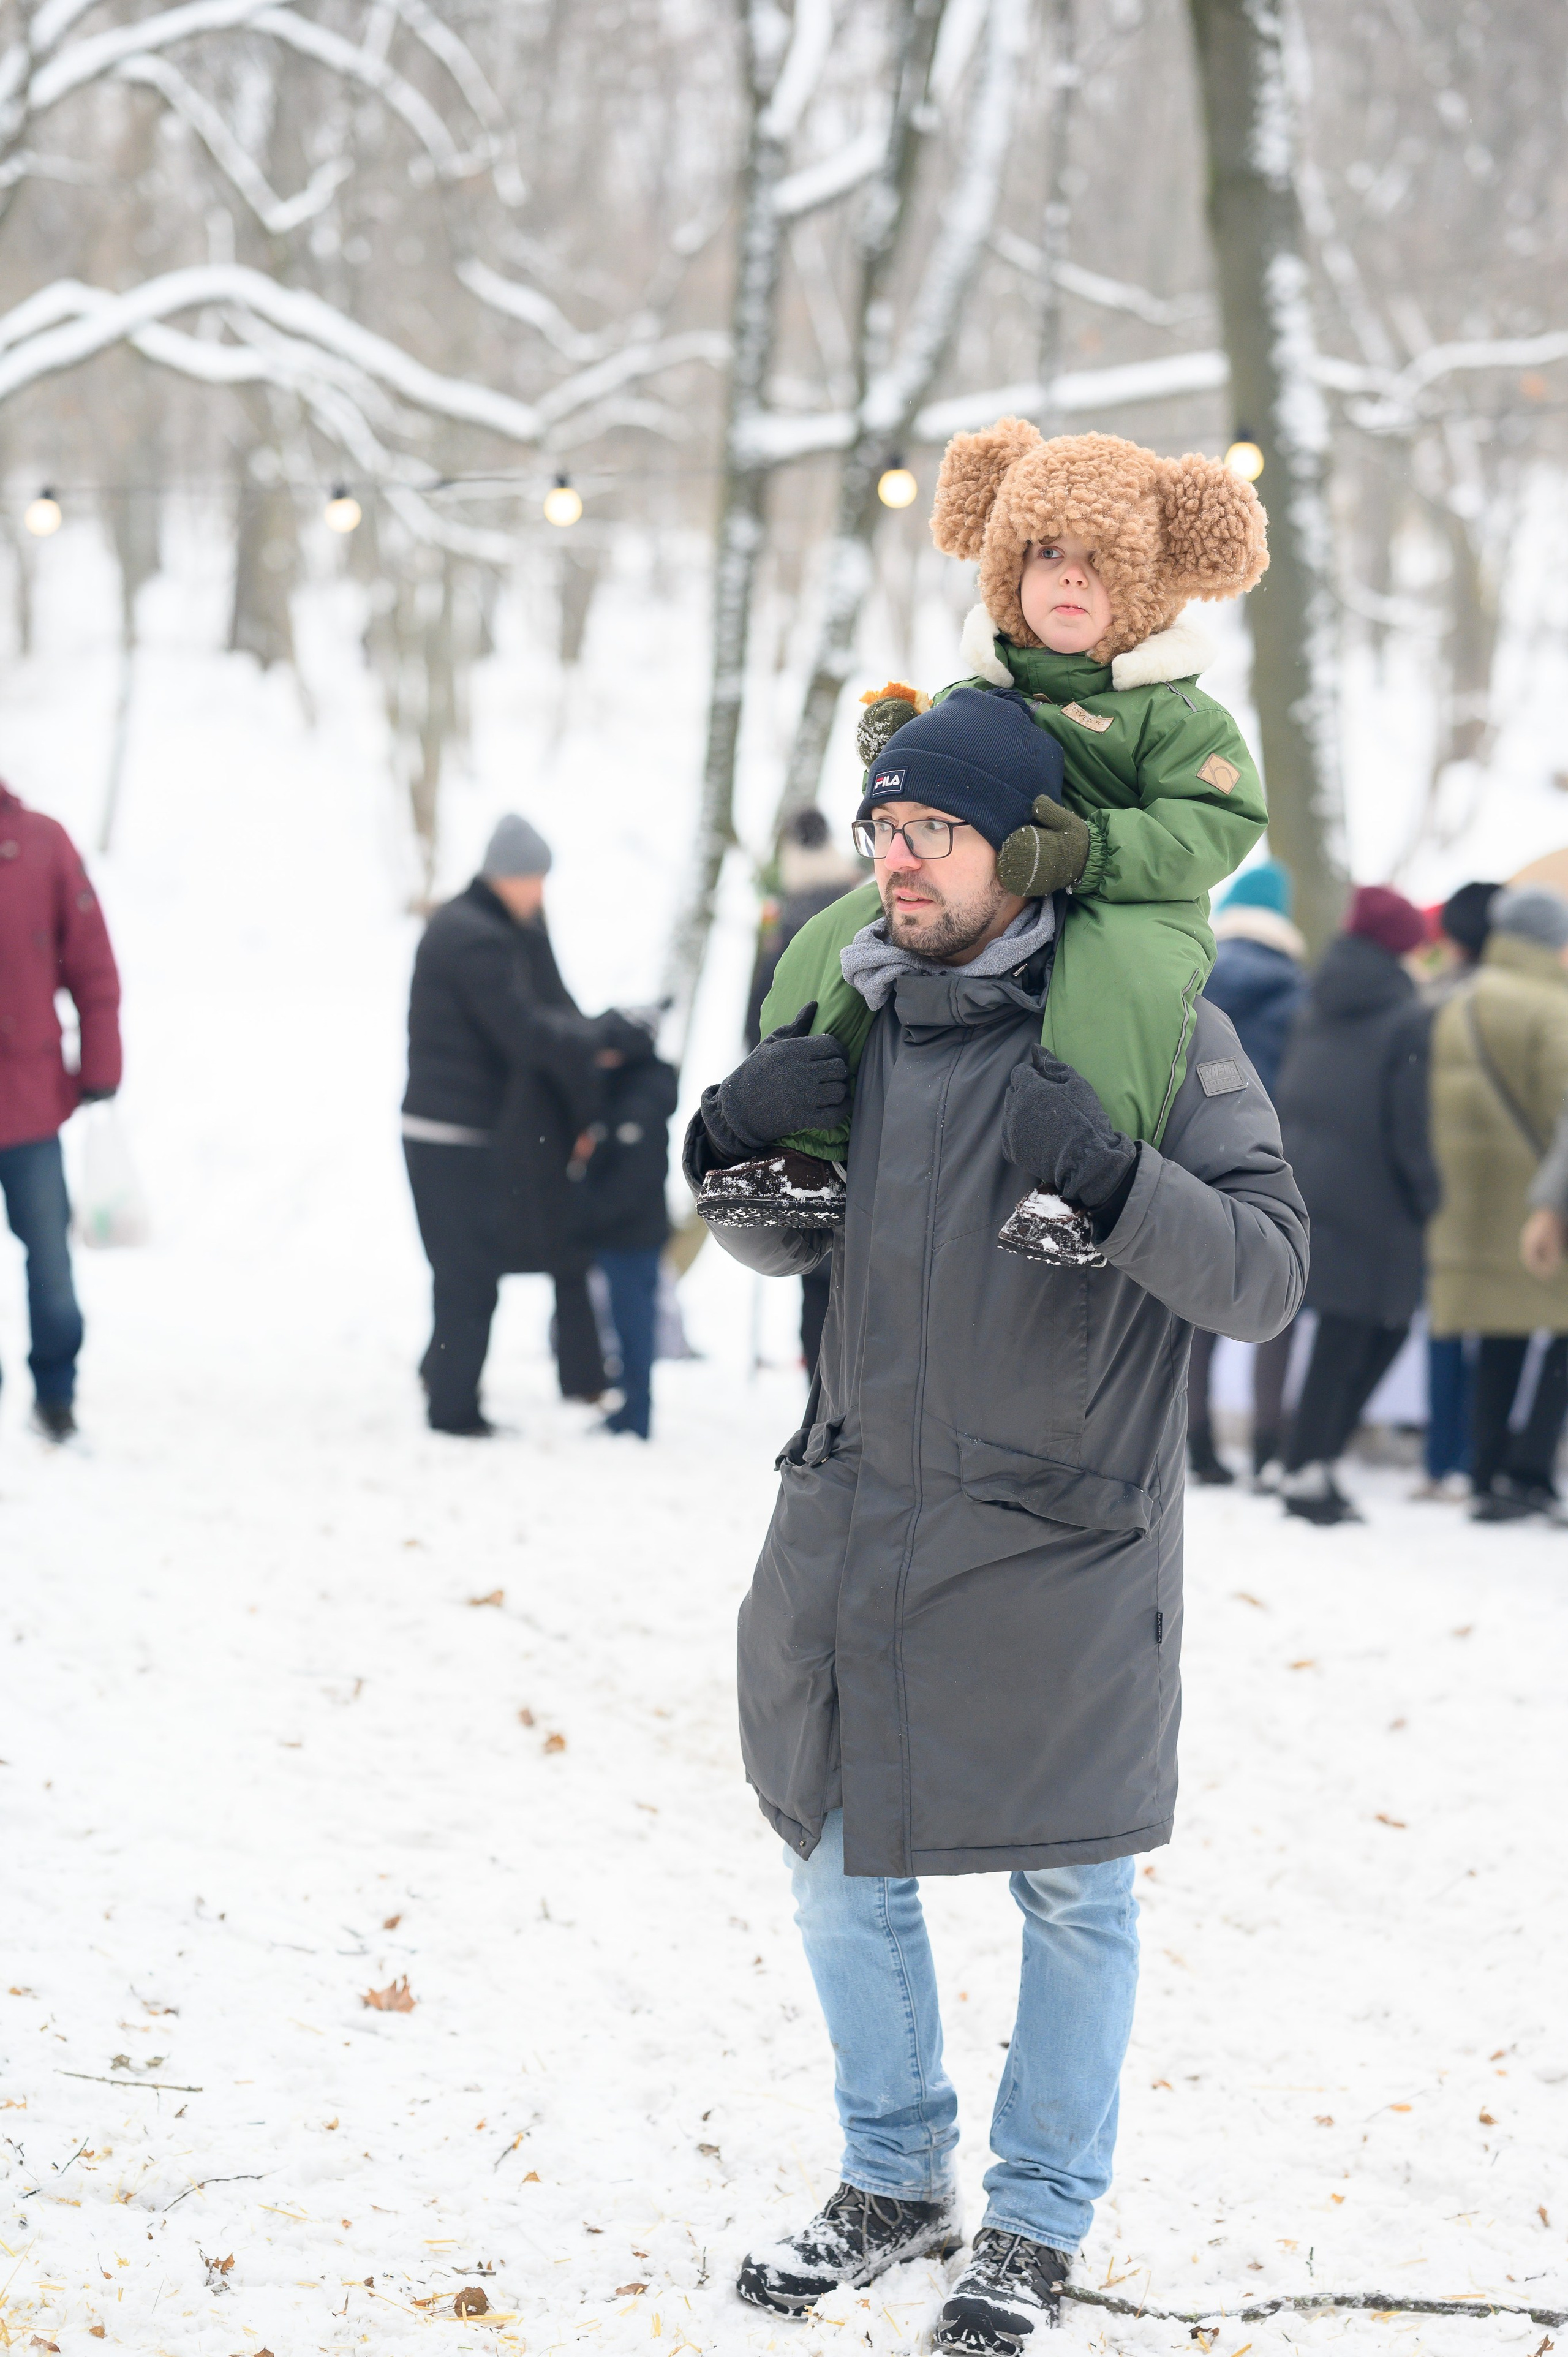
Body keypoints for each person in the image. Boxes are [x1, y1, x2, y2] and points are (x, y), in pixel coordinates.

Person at [685, 728, 1306, 2348]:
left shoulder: (1155, 1031)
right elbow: (780, 1237)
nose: (898, 859)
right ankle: (895, 2181)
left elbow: (1261, 1274)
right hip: (858, 1527)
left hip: (1063, 1546)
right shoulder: (863, 1014)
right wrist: (727, 1143)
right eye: (886, 825)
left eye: (937, 829)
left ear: (1020, 847)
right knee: (834, 1873)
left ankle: (1034, 2221)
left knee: (1075, 1899)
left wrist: (1115, 1178)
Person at [698, 422, 1270, 1240]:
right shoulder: (986, 679)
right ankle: (806, 1148)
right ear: (1007, 562)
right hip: (982, 882)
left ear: (1149, 573)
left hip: (1128, 899)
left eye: (1101, 558)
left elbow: (1218, 820)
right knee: (832, 935)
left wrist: (1094, 851)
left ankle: (1078, 1179)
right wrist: (903, 742)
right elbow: (937, 771)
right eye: (1046, 551)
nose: (1070, 576)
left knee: (1123, 983)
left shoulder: (1172, 711)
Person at [401, 813, 635, 1435]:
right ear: (505, 875)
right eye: (533, 879)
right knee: (467, 1276)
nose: (539, 893)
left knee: (465, 1272)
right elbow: (523, 1029)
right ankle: (452, 1410)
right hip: (453, 1132)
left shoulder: (488, 926)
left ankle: (446, 1388)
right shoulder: (474, 937)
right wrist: (597, 1038)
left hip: (457, 1129)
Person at [1272, 886, 1438, 1525]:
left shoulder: (1322, 994)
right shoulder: (1403, 1011)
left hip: (1311, 1178)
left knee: (1340, 1332)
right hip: (1378, 1194)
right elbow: (1409, 1121)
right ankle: (1308, 1467)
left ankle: (1308, 1463)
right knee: (1378, 1327)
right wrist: (1430, 1193)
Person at [1427, 884, 1568, 1522]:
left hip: (1467, 1207)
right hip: (1542, 1205)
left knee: (1498, 1336)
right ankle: (1531, 1469)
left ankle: (1484, 1472)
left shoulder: (1452, 998)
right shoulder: (1553, 1006)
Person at [0, 778, 121, 1442]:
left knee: (49, 1264)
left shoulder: (42, 843)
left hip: (28, 1106)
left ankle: (56, 1392)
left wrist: (100, 1069)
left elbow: (93, 966)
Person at [1186, 856, 1308, 1484]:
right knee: (1271, 1296)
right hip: (1270, 1157)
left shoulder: (1194, 977)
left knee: (1196, 1296)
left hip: (1195, 1152)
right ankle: (1266, 1444)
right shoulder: (1296, 991)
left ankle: (1197, 1443)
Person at [744, 809, 863, 1375]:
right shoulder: (856, 896)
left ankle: (819, 1392)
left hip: (795, 1104)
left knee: (814, 1262)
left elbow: (758, 1019)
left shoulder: (784, 915)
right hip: (864, 1092)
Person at [1414, 881, 1499, 1499]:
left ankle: (1440, 1457)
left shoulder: (1429, 1000)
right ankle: (1478, 1456)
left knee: (1445, 1324)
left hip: (1438, 1185)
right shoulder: (1542, 1001)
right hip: (1506, 1191)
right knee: (1499, 1328)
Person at [568, 1020, 679, 1439]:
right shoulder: (626, 1089)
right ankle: (631, 1409)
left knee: (635, 1327)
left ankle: (636, 1415)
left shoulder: (639, 1101)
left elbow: (634, 1177)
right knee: (627, 1324)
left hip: (631, 1234)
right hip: (626, 1231)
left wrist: (589, 1216)